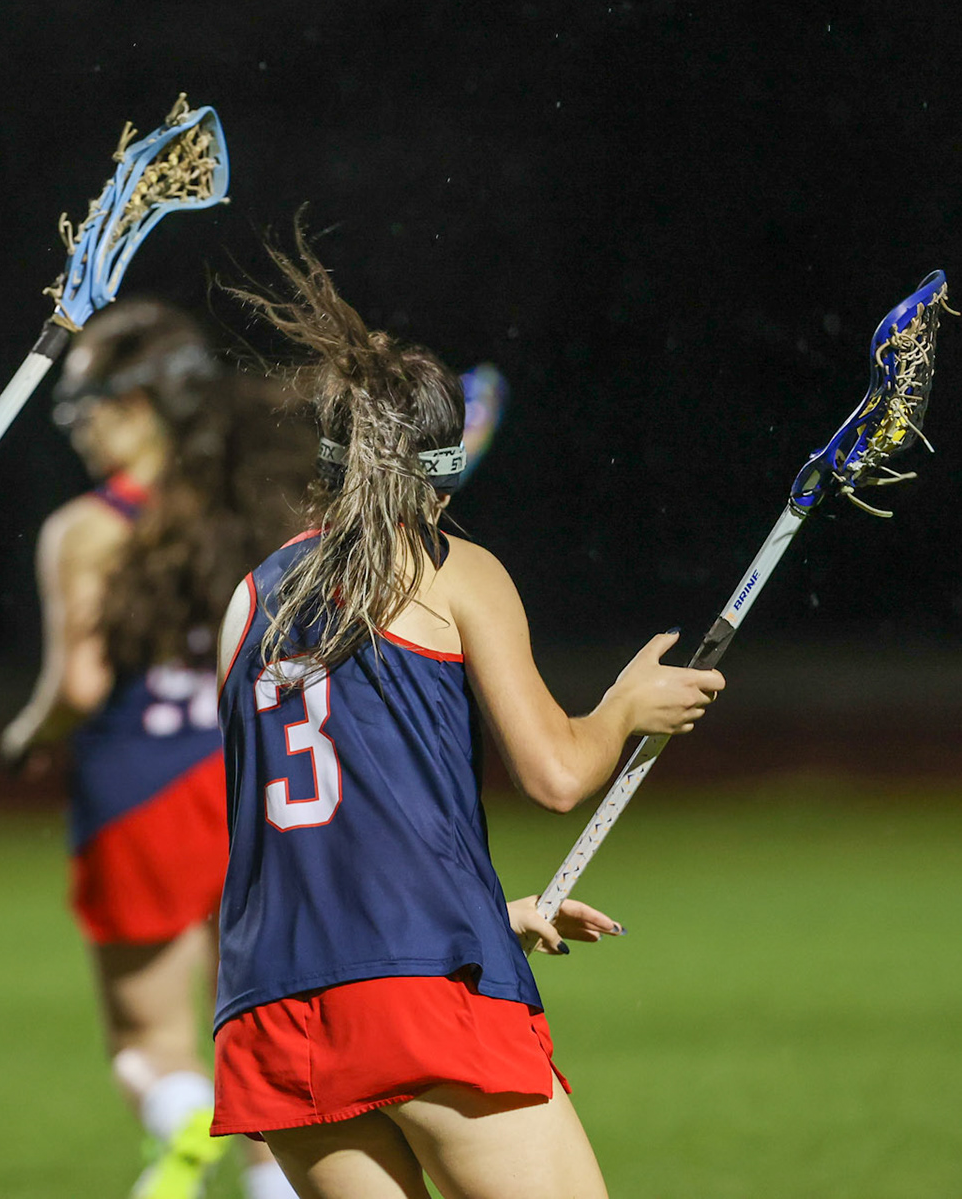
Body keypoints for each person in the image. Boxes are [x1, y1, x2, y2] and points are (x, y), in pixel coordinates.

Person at [211, 229, 727, 1199]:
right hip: (415, 992)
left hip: (271, 1002)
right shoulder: (458, 570)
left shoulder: (250, 597)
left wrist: (487, 915)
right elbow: (557, 774)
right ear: (443, 466)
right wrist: (624, 706)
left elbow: (297, 828)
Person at [2, 298, 309, 1199]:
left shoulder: (86, 529)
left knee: (146, 1037)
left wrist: (26, 734)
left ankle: (179, 1120)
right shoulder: (258, 510)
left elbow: (81, 688)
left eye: (84, 404)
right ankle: (271, 1182)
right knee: (256, 1023)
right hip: (249, 779)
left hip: (135, 786)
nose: (77, 428)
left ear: (134, 405)